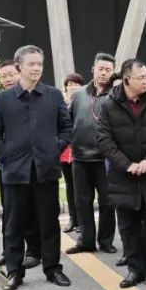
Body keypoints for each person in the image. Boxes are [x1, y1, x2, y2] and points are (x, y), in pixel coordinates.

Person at [0, 45, 73, 290]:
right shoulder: (3, 100)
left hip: (46, 170)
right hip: (14, 172)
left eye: (40, 64)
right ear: (18, 67)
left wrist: (53, 149)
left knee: (49, 222)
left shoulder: (54, 96)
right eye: (31, 64)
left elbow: (66, 129)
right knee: (13, 223)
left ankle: (53, 268)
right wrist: (7, 157)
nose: (36, 68)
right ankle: (14, 271)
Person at [95, 59, 146, 288]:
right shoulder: (109, 105)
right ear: (127, 79)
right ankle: (134, 269)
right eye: (141, 78)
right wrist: (126, 164)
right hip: (123, 177)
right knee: (128, 227)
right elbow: (104, 140)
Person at [65, 53, 119, 256]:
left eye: (108, 70)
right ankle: (86, 241)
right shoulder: (78, 94)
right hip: (80, 158)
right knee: (82, 201)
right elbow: (68, 121)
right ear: (93, 69)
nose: (104, 73)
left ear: (113, 72)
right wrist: (71, 140)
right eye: (100, 68)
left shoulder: (116, 94)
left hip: (106, 159)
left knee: (107, 202)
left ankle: (106, 241)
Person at [0, 60, 38, 267]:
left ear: (20, 73)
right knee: (9, 210)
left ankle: (34, 251)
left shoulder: (31, 98)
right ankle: (9, 251)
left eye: (11, 74)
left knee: (30, 209)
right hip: (6, 165)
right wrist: (5, 156)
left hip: (30, 165)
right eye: (3, 76)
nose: (8, 79)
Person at [61, 73, 84, 233]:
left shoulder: (84, 101)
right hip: (64, 150)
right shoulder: (60, 103)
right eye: (69, 84)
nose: (73, 86)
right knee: (70, 185)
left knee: (81, 187)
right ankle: (72, 219)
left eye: (76, 84)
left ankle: (82, 221)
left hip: (81, 149)